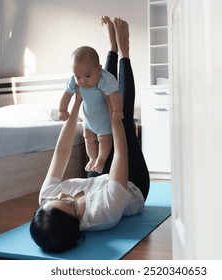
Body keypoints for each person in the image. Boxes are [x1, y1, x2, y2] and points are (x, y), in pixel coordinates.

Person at [30, 16, 150, 253]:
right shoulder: (105, 211)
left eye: (52, 199)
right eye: (67, 201)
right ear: (79, 222)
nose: (63, 193)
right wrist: (115, 119)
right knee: (122, 115)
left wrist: (76, 105)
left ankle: (110, 49)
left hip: (99, 181)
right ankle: (123, 50)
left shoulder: (48, 201)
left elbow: (62, 152)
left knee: (103, 90)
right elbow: (121, 154)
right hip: (132, 184)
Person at [59, 45, 123, 174]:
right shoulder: (74, 81)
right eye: (78, 77)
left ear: (99, 69)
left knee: (104, 140)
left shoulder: (104, 79)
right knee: (88, 139)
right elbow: (67, 94)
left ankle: (101, 159)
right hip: (88, 120)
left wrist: (117, 110)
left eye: (87, 76)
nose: (82, 80)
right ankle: (92, 158)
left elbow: (114, 95)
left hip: (104, 120)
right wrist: (62, 109)